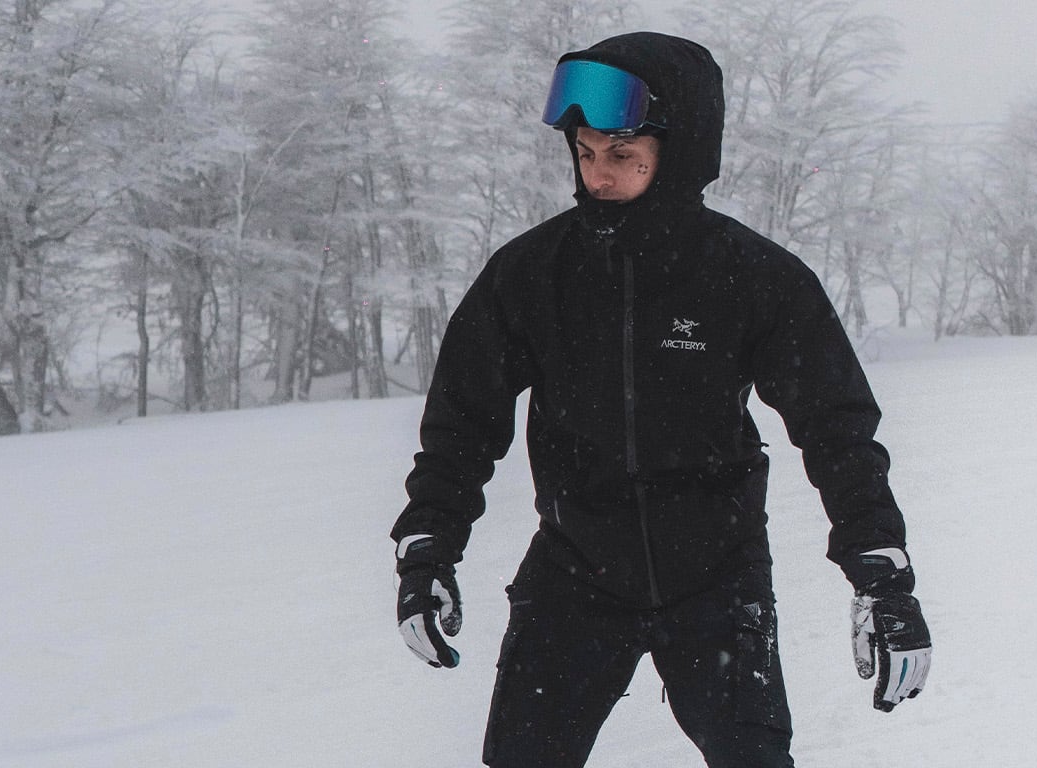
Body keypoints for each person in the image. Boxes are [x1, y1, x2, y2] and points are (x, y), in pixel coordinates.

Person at [391, 31, 931, 768]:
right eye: (586, 153)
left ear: (677, 153)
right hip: (575, 571)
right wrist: (428, 550)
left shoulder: (751, 277)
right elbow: (460, 425)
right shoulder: (532, 274)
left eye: (622, 155)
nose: (599, 175)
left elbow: (836, 428)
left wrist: (881, 576)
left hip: (715, 575)